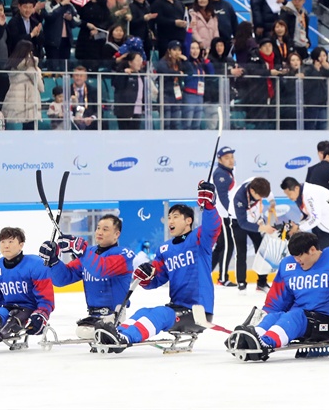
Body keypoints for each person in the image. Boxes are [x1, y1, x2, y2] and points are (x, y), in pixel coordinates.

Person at [93, 182, 221, 352]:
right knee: (143, 311)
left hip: (198, 311)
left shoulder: (199, 239)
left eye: (175, 216)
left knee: (161, 314)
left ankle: (125, 337)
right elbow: (156, 278)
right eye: (169, 217)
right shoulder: (165, 249)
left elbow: (212, 227)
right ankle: (116, 333)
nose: (170, 221)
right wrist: (146, 276)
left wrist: (209, 205)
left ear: (188, 221)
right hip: (177, 307)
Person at [226, 236, 329, 361]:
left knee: (295, 316)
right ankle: (252, 337)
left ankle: (266, 343)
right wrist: (266, 314)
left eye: (300, 255)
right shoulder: (289, 266)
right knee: (275, 316)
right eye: (294, 256)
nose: (297, 260)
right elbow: (279, 299)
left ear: (312, 250)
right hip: (305, 320)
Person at [41, 215, 134, 339]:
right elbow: (63, 279)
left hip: (115, 316)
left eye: (105, 229)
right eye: (98, 228)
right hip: (93, 318)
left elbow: (101, 269)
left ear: (116, 234)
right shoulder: (89, 253)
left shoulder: (124, 254)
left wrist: (81, 250)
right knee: (83, 331)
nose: (100, 232)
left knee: (84, 332)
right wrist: (54, 262)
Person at [0, 227, 54, 351]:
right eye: (3, 242)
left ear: (21, 245)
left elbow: (45, 298)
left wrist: (41, 314)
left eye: (10, 242)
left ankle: (0, 332)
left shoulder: (36, 264)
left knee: (11, 324)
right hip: (8, 308)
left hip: (29, 308)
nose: (6, 246)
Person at [280, 176, 329, 254]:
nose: (289, 197)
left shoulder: (309, 195)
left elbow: (315, 218)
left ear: (296, 188)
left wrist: (299, 227)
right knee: (324, 254)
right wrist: (297, 225)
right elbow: (307, 216)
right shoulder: (299, 196)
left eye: (289, 194)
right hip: (327, 229)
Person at [228, 177, 277, 292]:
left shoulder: (259, 184)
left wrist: (272, 203)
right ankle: (241, 282)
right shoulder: (239, 199)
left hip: (255, 219)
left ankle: (262, 282)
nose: (261, 199)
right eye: (260, 197)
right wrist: (263, 228)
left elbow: (268, 194)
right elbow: (243, 223)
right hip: (238, 222)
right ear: (252, 192)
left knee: (262, 250)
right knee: (241, 251)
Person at [2, 40, 43, 130]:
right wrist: (36, 69)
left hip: (15, 100)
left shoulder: (13, 67)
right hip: (28, 102)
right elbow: (41, 87)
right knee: (30, 130)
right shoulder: (30, 68)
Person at [212, 146, 236, 287]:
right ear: (220, 160)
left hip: (224, 214)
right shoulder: (221, 174)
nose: (231, 160)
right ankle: (222, 278)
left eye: (232, 157)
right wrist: (232, 212)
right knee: (228, 245)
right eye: (227, 158)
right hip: (224, 215)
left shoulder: (228, 172)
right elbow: (222, 197)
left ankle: (205, 273)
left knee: (221, 246)